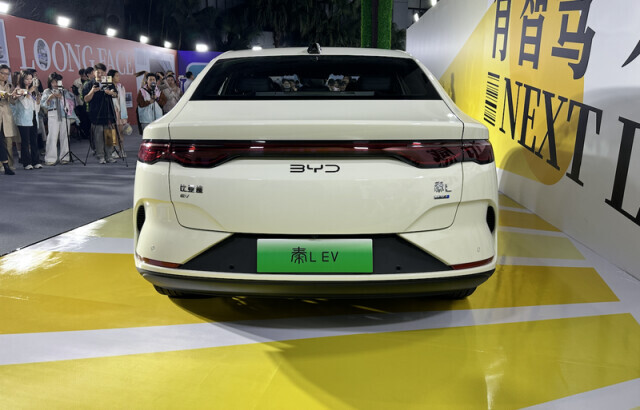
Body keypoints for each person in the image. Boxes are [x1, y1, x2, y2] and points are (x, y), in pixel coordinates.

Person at [83, 63, 118, 164]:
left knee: (110, 136)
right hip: (96, 114)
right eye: (98, 72)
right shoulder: (89, 84)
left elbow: (116, 94)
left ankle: (109, 156)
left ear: (105, 73)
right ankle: (101, 156)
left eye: (102, 72)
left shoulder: (109, 82)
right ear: (94, 73)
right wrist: (92, 91)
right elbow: (86, 99)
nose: (100, 74)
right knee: (98, 137)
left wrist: (110, 93)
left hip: (108, 113)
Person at [41, 72, 73, 165]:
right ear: (50, 82)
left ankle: (65, 157)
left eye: (57, 81)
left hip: (64, 114)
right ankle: (50, 158)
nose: (55, 84)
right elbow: (43, 104)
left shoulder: (64, 91)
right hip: (53, 113)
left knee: (65, 136)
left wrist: (61, 97)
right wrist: (49, 98)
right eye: (53, 82)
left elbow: (71, 103)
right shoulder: (47, 91)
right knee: (52, 136)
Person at [13, 70, 42, 170]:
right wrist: (29, 91)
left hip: (33, 117)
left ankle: (36, 161)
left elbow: (36, 107)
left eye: (30, 79)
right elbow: (25, 104)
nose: (29, 81)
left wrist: (38, 100)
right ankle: (26, 162)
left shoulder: (33, 90)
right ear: (22, 79)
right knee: (25, 141)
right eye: (26, 79)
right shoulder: (19, 89)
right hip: (23, 119)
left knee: (34, 140)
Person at [0, 64, 17, 175]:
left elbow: (12, 102)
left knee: (8, 141)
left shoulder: (10, 85)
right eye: (3, 73)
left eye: (7, 74)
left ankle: (9, 164)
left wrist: (14, 97)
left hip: (6, 115)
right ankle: (2, 165)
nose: (5, 76)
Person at [107, 69, 128, 158]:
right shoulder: (107, 87)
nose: (119, 77)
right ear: (111, 78)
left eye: (118, 75)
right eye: (117, 76)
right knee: (110, 132)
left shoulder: (121, 87)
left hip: (120, 112)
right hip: (111, 112)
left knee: (120, 132)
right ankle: (111, 151)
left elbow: (123, 101)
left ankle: (121, 149)